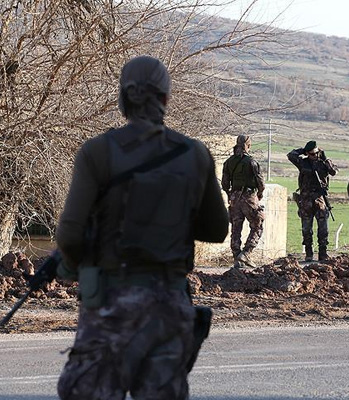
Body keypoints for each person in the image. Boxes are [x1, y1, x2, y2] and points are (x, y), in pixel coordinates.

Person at [54, 56, 229, 400]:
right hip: (171, 307)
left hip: (112, 304)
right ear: (166, 98)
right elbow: (216, 230)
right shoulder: (195, 154)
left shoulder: (97, 152)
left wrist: (76, 266)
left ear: (123, 98)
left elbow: (70, 235)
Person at [287, 140, 338, 261]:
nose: (314, 156)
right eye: (311, 154)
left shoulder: (323, 163)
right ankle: (309, 253)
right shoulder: (303, 163)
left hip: (320, 199)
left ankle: (323, 253)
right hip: (306, 199)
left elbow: (334, 172)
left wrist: (326, 159)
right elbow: (290, 155)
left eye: (315, 153)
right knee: (306, 229)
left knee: (323, 229)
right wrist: (303, 150)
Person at [221, 134, 265, 268]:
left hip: (234, 198)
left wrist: (230, 194)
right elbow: (260, 182)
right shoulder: (251, 162)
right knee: (257, 224)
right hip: (248, 196)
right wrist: (260, 193)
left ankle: (237, 258)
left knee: (235, 228)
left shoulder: (229, 162)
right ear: (248, 145)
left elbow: (224, 184)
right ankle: (246, 254)